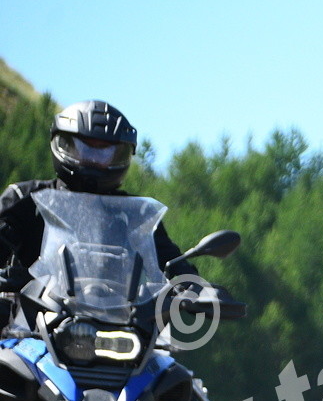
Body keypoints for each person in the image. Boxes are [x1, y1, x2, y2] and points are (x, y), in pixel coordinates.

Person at [0, 100, 197, 328]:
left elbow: (170, 259)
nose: (94, 159)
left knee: (167, 353)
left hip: (120, 325)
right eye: (85, 148)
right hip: (28, 323)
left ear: (122, 155)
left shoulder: (135, 214)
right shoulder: (25, 197)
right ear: (63, 145)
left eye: (106, 152)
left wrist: (194, 287)